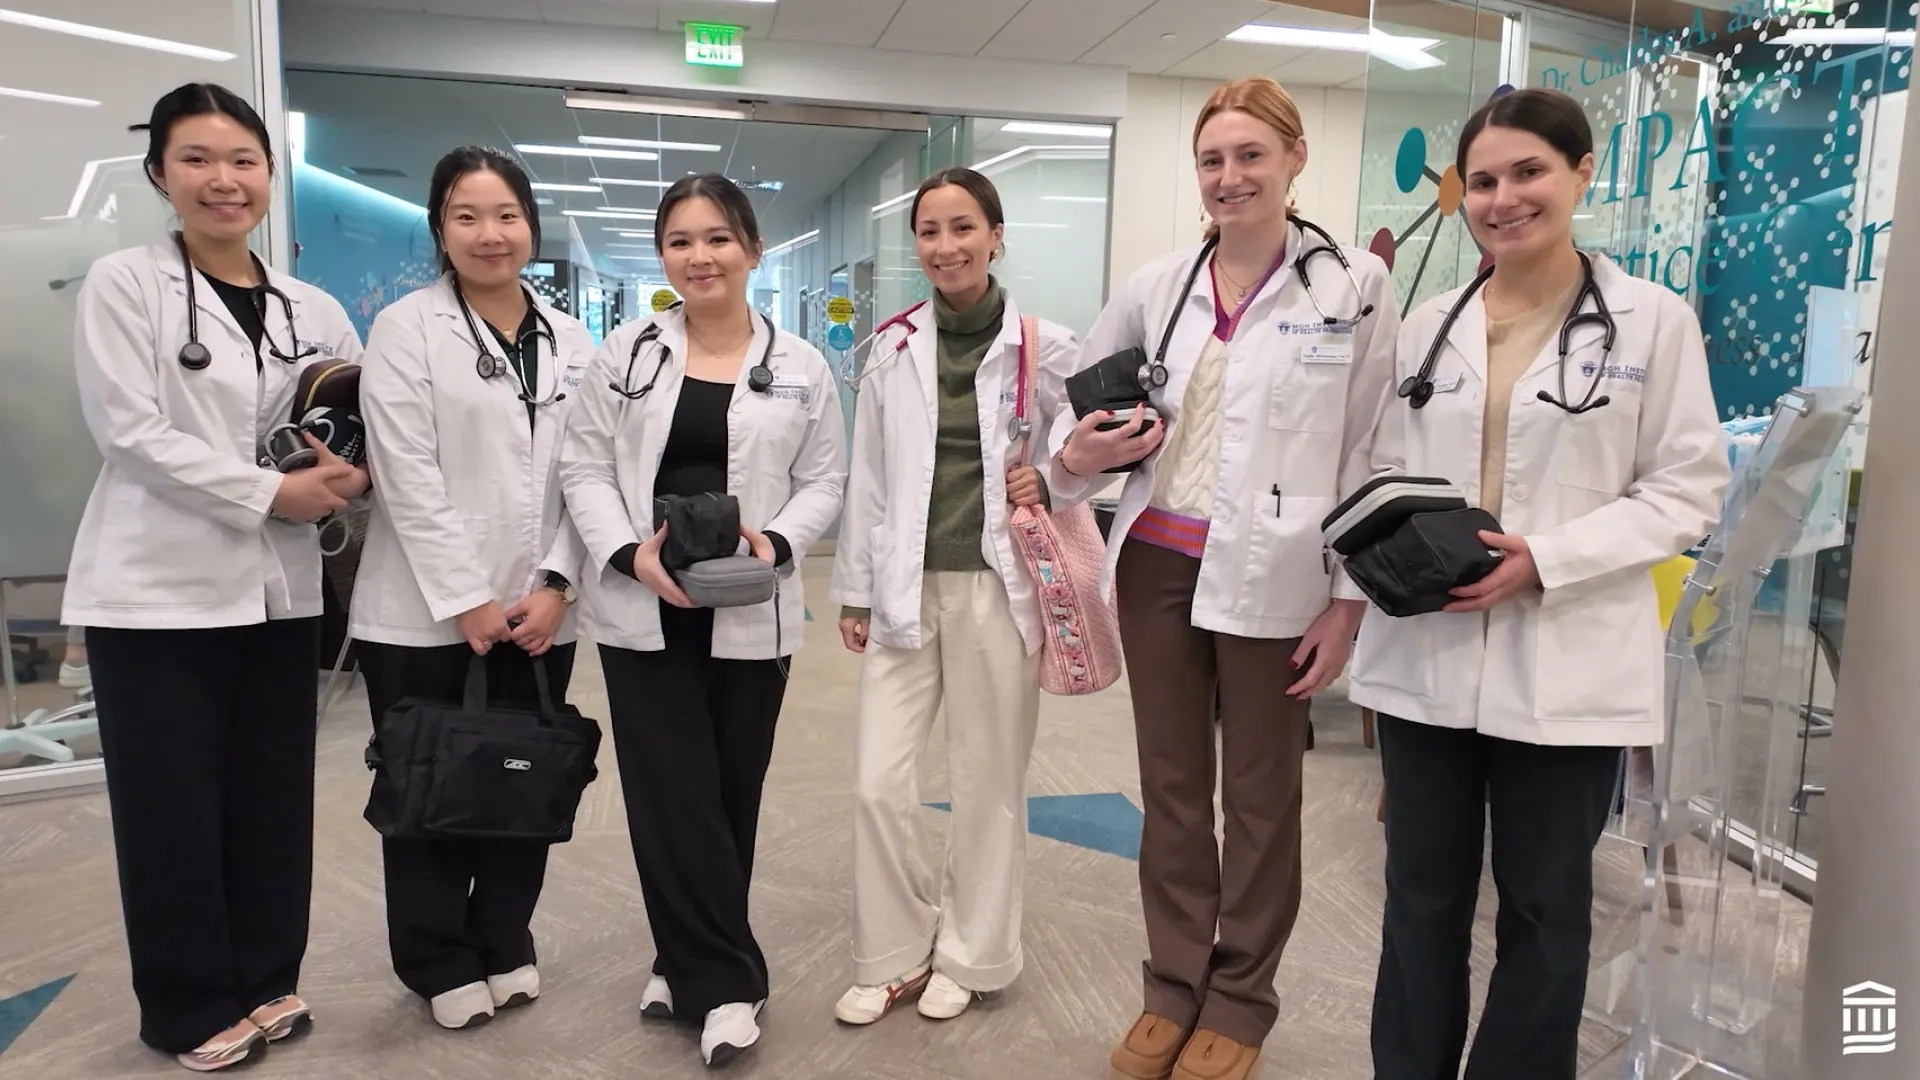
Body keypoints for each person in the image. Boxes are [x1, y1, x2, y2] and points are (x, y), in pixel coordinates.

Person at [1349, 88, 1729, 1080]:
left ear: (1580, 173)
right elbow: (1383, 469)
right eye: (1482, 180)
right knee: (1419, 900)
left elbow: (1688, 489)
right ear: (1460, 194)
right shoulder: (1429, 324)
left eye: (1529, 173)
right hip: (1431, 655)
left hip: (1569, 660)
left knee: (1547, 908)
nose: (1504, 197)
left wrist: (1546, 560)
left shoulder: (1652, 321)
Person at [1044, 76, 1399, 1080]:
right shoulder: (1157, 285)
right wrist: (1083, 453)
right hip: (1156, 559)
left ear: (1294, 159)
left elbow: (1375, 447)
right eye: (1212, 159)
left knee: (1260, 796)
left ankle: (1240, 1000)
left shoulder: (1352, 290)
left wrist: (1348, 598)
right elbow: (1066, 422)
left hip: (1278, 572)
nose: (1230, 176)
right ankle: (1171, 986)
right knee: (1169, 790)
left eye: (1251, 155)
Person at [61, 83, 366, 1073]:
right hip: (156, 590)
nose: (222, 180)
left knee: (271, 795)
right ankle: (188, 1003)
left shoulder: (310, 307)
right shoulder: (125, 284)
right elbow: (131, 433)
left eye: (242, 159)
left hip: (279, 591)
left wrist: (347, 472)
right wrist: (265, 493)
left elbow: (352, 417)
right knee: (172, 807)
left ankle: (269, 972)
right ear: (161, 173)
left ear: (270, 176)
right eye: (196, 159)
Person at [559, 174, 847, 1067]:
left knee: (730, 791)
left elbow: (825, 482)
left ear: (753, 250)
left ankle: (679, 957)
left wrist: (778, 546)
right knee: (665, 790)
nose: (700, 256)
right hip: (645, 603)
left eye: (718, 238)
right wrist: (626, 554)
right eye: (680, 240)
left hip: (748, 608)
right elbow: (584, 467)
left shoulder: (802, 366)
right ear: (663, 257)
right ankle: (725, 984)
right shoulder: (625, 353)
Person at [348, 146, 595, 1031]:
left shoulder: (570, 338)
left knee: (523, 782)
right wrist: (466, 597)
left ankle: (503, 937)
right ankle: (436, 956)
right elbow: (405, 472)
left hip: (540, 613)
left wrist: (562, 580)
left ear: (531, 224)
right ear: (440, 229)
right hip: (420, 616)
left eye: (506, 215)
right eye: (467, 216)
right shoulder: (407, 328)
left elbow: (589, 474)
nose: (491, 234)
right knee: (426, 790)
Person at [827, 168, 1079, 1026]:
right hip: (904, 584)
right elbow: (869, 478)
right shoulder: (892, 347)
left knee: (986, 781)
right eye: (929, 232)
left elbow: (1090, 462)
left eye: (963, 228)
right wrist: (855, 591)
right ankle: (894, 950)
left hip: (997, 590)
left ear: (996, 235)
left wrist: (1046, 477)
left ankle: (973, 954)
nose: (946, 247)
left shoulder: (1048, 347)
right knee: (877, 781)